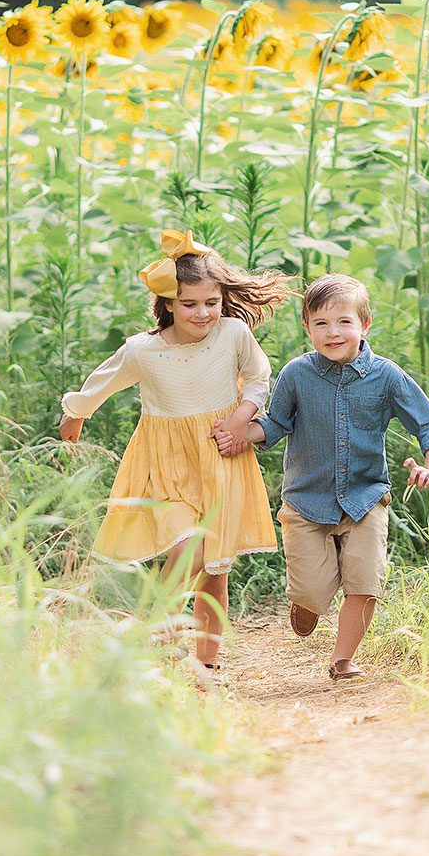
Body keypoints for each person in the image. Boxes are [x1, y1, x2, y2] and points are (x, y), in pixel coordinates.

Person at [60, 229, 291, 683]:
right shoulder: (144, 351)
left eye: (211, 302)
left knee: (214, 569)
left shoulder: (233, 334)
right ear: (167, 303)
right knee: (191, 547)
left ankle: (207, 665)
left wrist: (242, 418)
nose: (203, 313)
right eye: (189, 304)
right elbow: (99, 384)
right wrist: (75, 416)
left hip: (220, 460)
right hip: (165, 465)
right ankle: (151, 639)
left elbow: (259, 378)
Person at [214, 274, 429, 681]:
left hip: (365, 498)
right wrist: (241, 432)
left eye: (344, 322)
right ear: (306, 327)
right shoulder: (296, 374)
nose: (333, 332)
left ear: (365, 324)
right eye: (321, 324)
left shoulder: (387, 376)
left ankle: (342, 660)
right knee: (313, 590)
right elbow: (275, 423)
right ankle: (306, 602)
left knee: (365, 582)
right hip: (307, 501)